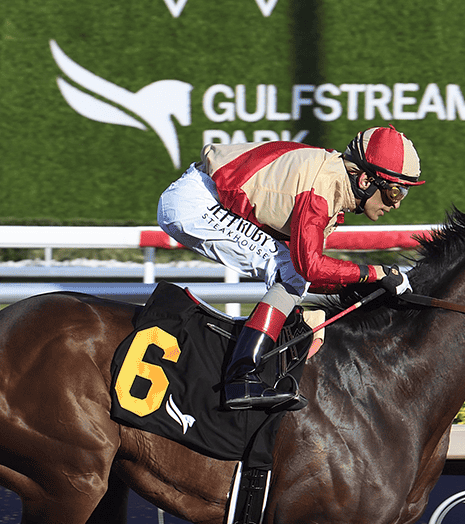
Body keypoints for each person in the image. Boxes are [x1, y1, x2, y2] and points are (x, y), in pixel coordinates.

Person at [157, 126, 422, 411]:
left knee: (292, 274)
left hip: (204, 197)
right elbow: (309, 268)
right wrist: (375, 274)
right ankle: (242, 376)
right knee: (291, 272)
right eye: (395, 191)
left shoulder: (331, 184)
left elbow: (314, 275)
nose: (396, 204)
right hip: (196, 203)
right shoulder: (321, 190)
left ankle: (266, 351)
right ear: (367, 179)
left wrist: (367, 284)